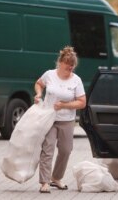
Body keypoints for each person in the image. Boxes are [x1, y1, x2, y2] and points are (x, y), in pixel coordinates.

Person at [34, 46, 86, 193]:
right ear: (60, 62)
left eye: (72, 65)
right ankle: (44, 182)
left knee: (66, 150)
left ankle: (56, 178)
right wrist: (39, 94)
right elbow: (39, 83)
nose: (70, 68)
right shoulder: (49, 75)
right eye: (67, 64)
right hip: (49, 117)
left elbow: (82, 102)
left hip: (67, 120)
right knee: (48, 149)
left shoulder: (76, 80)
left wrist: (64, 105)